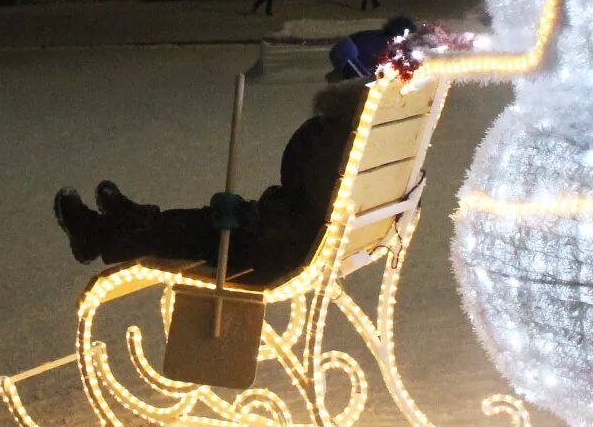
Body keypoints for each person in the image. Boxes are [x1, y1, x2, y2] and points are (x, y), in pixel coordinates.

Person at [54, 80, 366, 286]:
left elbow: (301, 187)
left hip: (277, 250)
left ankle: (97, 236)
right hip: (295, 239)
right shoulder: (368, 136)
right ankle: (130, 221)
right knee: (211, 220)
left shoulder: (336, 136)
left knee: (204, 229)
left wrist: (255, 218)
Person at [327, 15, 416, 82]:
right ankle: (338, 79)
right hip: (346, 51)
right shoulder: (390, 43)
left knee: (365, 77)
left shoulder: (383, 38)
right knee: (364, 83)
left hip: (346, 50)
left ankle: (338, 77)